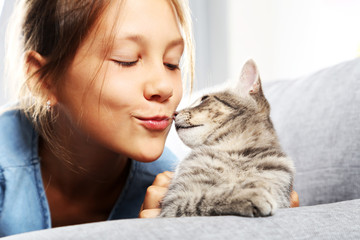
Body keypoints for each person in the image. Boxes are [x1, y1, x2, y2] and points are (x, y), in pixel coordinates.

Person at [0, 0, 298, 237]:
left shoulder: (167, 184)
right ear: (43, 79)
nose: (164, 87)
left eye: (172, 63)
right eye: (126, 59)